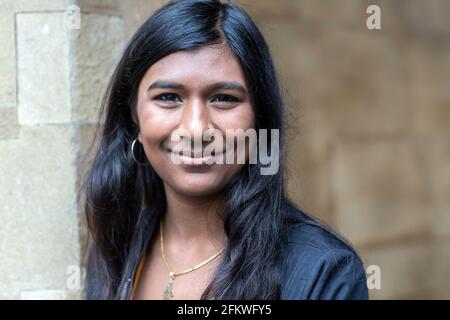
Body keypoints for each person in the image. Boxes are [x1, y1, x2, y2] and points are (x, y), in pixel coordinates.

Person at [83, 0, 368, 300]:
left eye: (223, 98)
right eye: (168, 97)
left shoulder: (322, 271)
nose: (195, 129)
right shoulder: (116, 249)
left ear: (260, 118)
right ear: (134, 115)